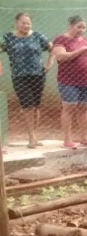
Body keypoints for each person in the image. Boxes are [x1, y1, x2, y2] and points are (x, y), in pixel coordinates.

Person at [1, 12, 53, 148]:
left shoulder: (37, 36)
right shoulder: (8, 38)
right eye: (23, 23)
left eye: (28, 23)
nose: (26, 25)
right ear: (16, 23)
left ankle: (34, 135)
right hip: (19, 77)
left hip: (38, 75)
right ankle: (31, 137)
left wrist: (49, 64)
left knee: (36, 107)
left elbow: (52, 49)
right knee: (28, 106)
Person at [52, 15, 87, 148]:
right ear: (70, 26)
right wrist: (80, 51)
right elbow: (60, 56)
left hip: (86, 81)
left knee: (84, 108)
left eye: (84, 28)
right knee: (69, 108)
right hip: (68, 81)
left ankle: (84, 137)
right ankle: (67, 140)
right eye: (79, 27)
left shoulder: (85, 41)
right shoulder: (61, 40)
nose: (82, 30)